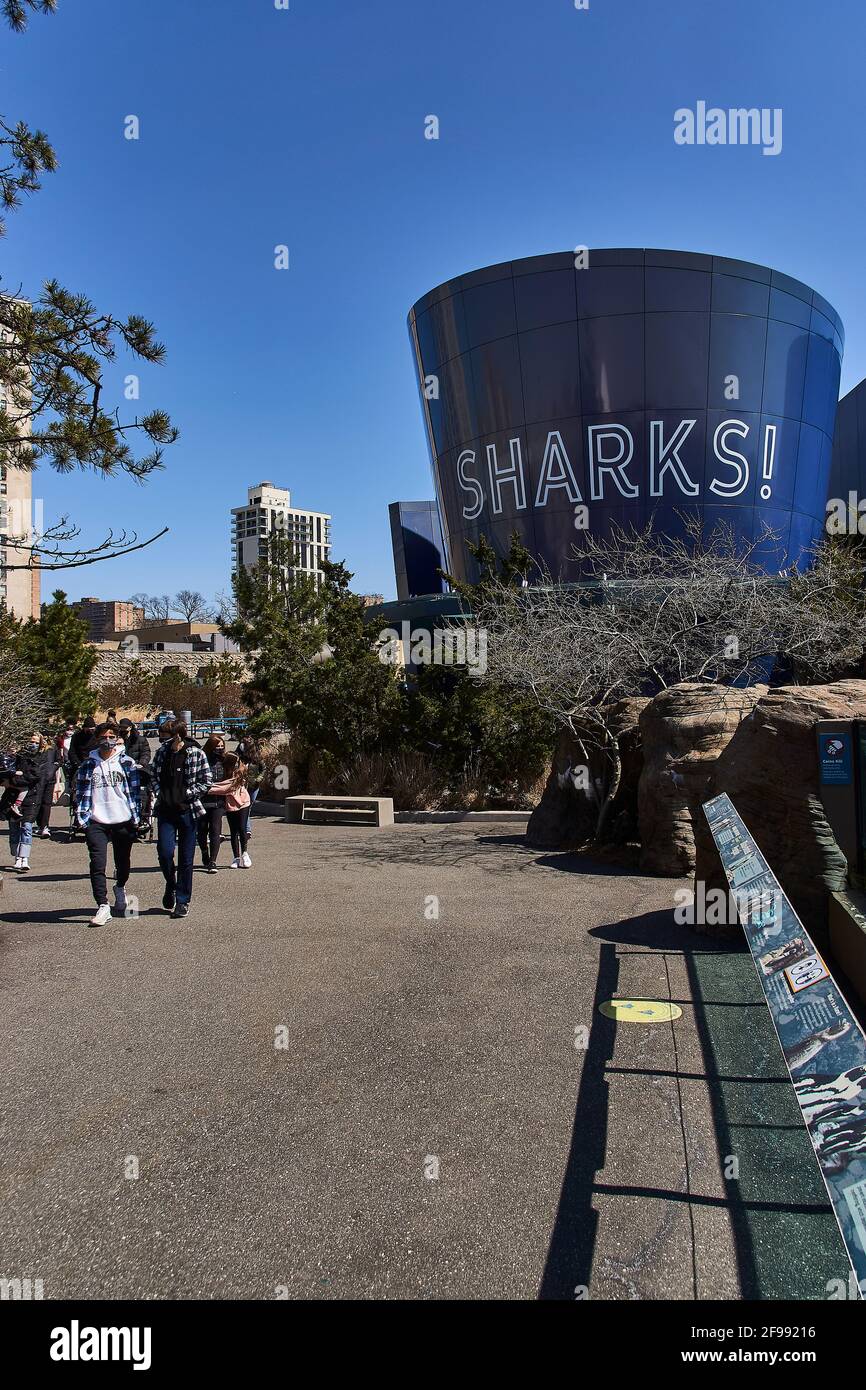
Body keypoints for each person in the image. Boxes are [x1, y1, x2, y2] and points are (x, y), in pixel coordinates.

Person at [74, 721, 142, 928]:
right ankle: (103, 905)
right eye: (103, 736)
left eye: (111, 736)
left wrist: (137, 817)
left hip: (122, 819)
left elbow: (136, 793)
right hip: (96, 820)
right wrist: (82, 817)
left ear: (117, 738)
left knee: (123, 862)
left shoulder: (127, 763)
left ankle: (120, 887)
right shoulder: (88, 764)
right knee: (97, 863)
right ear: (97, 738)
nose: (107, 740)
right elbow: (80, 792)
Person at [151, 718, 211, 918]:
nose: (162, 740)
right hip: (166, 810)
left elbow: (206, 781)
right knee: (165, 852)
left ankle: (183, 900)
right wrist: (160, 792)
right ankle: (171, 882)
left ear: (177, 735)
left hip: (188, 810)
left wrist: (188, 793)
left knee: (186, 859)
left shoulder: (195, 754)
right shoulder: (162, 754)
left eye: (165, 737)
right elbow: (153, 777)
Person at [1, 731, 50, 871]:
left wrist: (14, 782)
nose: (33, 744)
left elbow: (35, 776)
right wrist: (11, 781)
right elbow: (5, 773)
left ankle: (24, 858)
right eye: (31, 741)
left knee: (27, 828)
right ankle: (17, 857)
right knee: (14, 828)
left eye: (36, 742)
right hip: (12, 797)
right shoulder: (16, 757)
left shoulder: (41, 757)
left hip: (32, 797)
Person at [210, 752, 251, 868]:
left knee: (242, 828)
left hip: (243, 803)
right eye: (236, 762)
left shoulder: (240, 773)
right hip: (230, 805)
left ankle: (245, 853)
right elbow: (223, 786)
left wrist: (207, 788)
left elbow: (226, 787)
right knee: (233, 831)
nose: (238, 764)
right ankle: (236, 857)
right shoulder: (223, 772)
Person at [198, 733, 227, 872]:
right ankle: (204, 852)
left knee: (215, 830)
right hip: (203, 800)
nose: (220, 749)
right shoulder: (202, 760)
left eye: (222, 746)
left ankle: (213, 861)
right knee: (202, 830)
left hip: (219, 801)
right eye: (217, 747)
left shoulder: (225, 760)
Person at [235, 734, 263, 842]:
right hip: (242, 786)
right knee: (243, 806)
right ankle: (246, 830)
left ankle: (244, 829)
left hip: (253, 786)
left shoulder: (257, 757)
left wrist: (258, 780)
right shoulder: (238, 756)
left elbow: (263, 770)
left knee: (247, 807)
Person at [35, 733, 63, 839]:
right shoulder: (37, 750)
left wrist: (53, 769)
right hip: (37, 780)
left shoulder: (53, 749)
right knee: (37, 802)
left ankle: (45, 826)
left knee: (46, 803)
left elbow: (59, 761)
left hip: (49, 779)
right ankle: (39, 824)